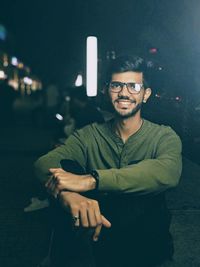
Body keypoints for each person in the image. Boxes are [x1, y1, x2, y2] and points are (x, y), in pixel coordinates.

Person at [34, 55, 182, 267]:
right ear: (107, 90)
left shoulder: (163, 136)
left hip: (150, 247)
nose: (124, 93)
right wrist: (67, 195)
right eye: (117, 85)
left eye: (133, 86)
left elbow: (168, 172)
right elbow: (42, 164)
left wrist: (92, 180)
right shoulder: (88, 136)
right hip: (102, 244)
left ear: (146, 94)